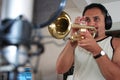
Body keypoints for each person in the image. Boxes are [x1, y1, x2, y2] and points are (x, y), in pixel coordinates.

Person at [56, 3, 120, 80]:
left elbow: (117, 77)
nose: (91, 23)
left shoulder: (116, 43)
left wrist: (96, 50)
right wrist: (72, 42)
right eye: (87, 20)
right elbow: (60, 70)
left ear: (106, 22)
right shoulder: (77, 43)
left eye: (96, 19)